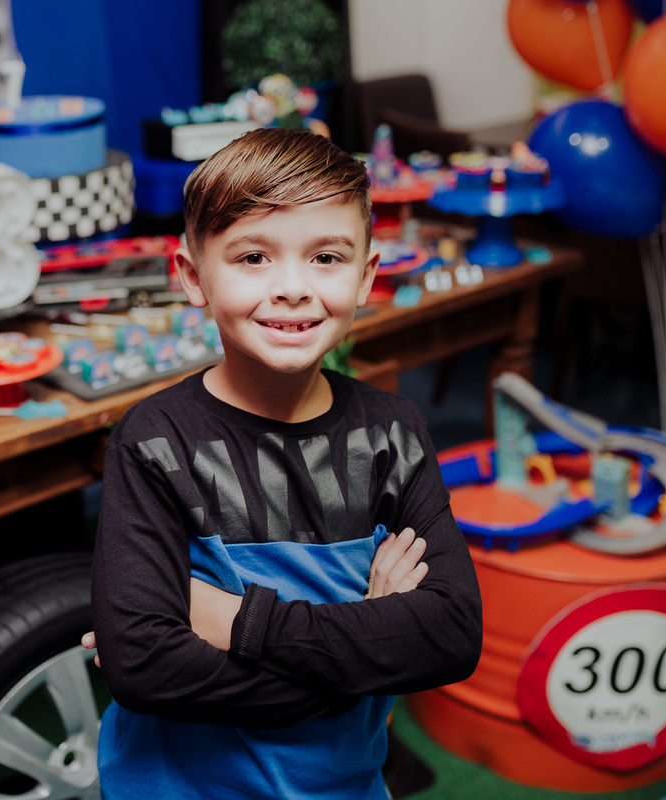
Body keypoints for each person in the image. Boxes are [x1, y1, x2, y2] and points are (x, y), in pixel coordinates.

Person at [82, 128, 483, 800]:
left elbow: (449, 635)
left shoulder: (395, 433)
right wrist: (362, 658)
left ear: (367, 275)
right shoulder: (152, 441)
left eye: (327, 256)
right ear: (192, 277)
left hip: (342, 787)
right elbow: (144, 666)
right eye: (252, 258)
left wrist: (233, 622)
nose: (293, 288)